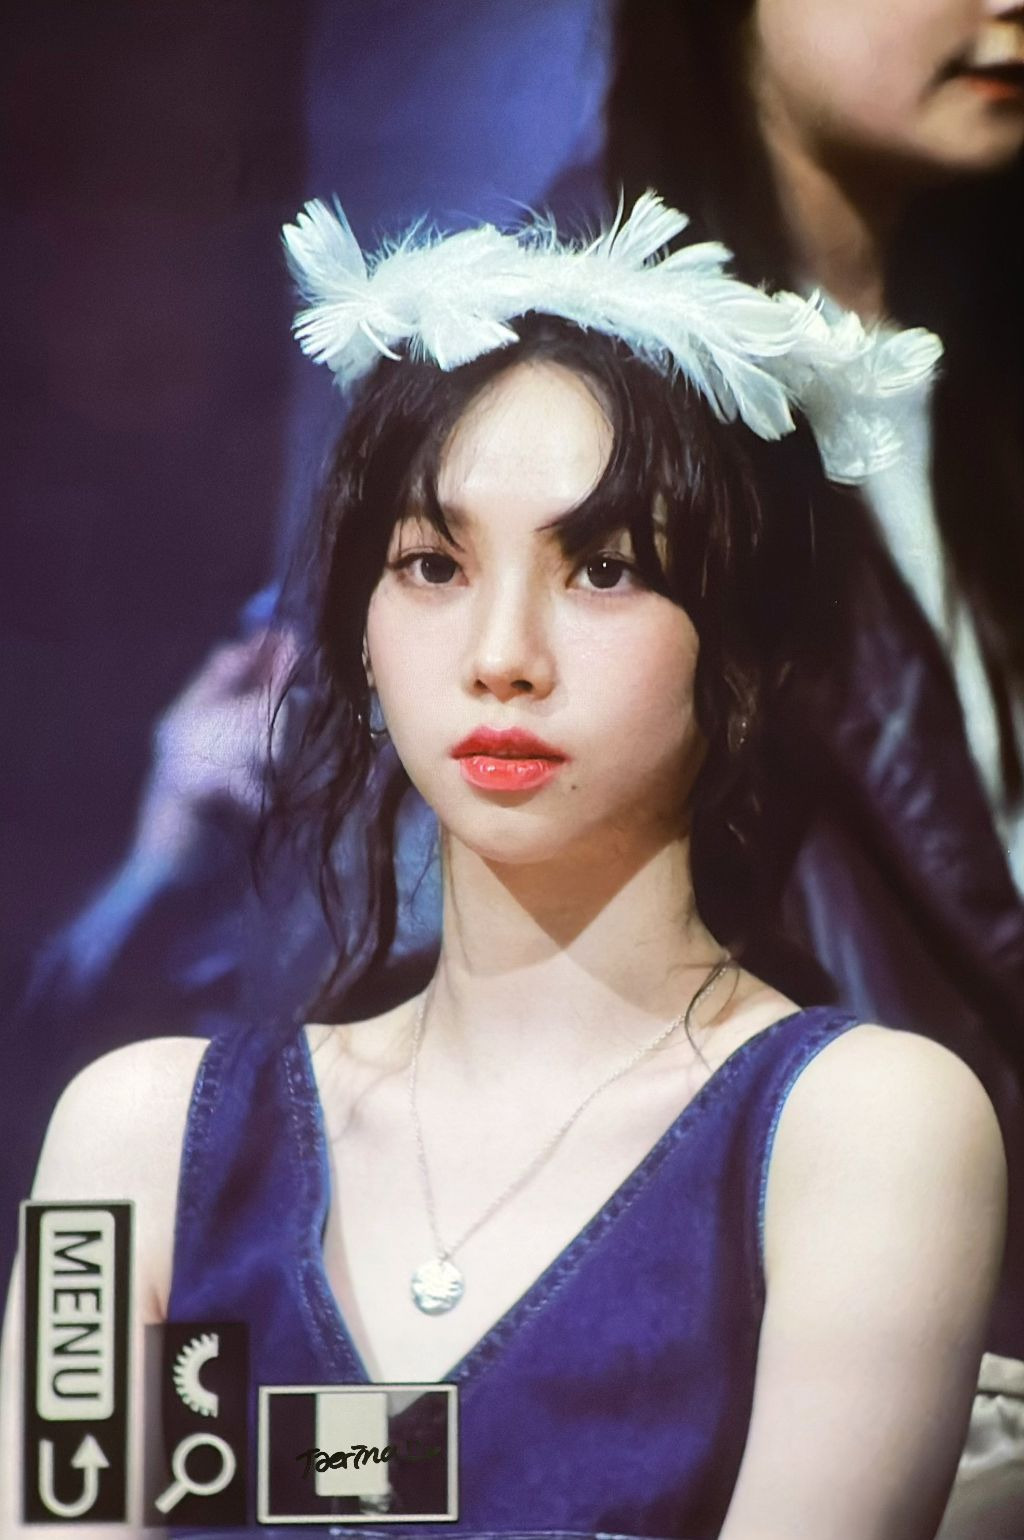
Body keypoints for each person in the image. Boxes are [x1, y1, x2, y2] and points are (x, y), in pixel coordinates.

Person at [0, 196, 1007, 1538]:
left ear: (741, 645)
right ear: (359, 640)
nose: (502, 654)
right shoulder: (135, 1144)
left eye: (607, 569)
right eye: (431, 565)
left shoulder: (861, 1131)